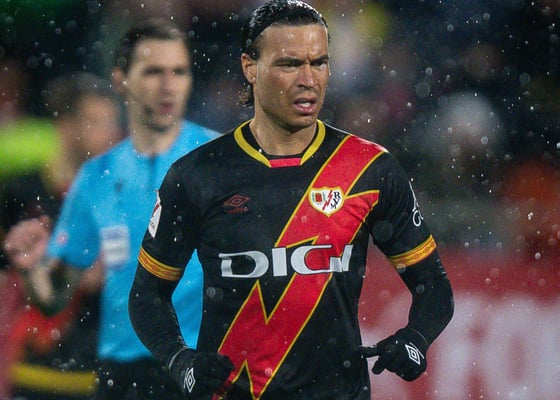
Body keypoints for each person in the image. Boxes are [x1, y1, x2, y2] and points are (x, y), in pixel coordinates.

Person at [128, 1, 454, 399]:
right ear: (250, 67)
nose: (308, 79)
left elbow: (433, 287)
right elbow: (147, 295)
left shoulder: (370, 169)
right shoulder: (196, 175)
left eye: (319, 63)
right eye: (289, 64)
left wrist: (416, 339)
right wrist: (181, 361)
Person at [5, 18, 219, 400]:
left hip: (204, 366)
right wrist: (34, 266)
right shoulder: (96, 177)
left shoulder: (222, 159)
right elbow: (55, 296)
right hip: (121, 376)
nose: (168, 85)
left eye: (179, 72)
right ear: (121, 80)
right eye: (153, 71)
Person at [0, 71, 122, 400]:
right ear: (66, 126)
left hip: (93, 372)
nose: (111, 133)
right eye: (96, 122)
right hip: (29, 367)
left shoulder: (118, 196)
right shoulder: (21, 193)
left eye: (112, 122)